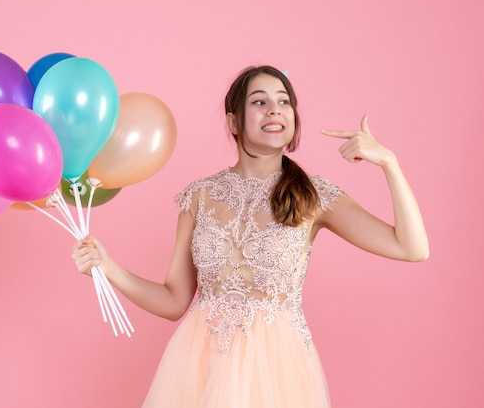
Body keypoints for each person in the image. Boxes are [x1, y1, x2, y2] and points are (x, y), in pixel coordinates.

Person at [71, 65, 429, 407]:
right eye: (259, 102)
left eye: (283, 101)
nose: (274, 110)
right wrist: (108, 268)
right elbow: (174, 301)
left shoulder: (314, 196)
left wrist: (389, 163)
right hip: (200, 368)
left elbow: (412, 248)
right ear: (233, 122)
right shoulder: (199, 196)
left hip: (276, 374)